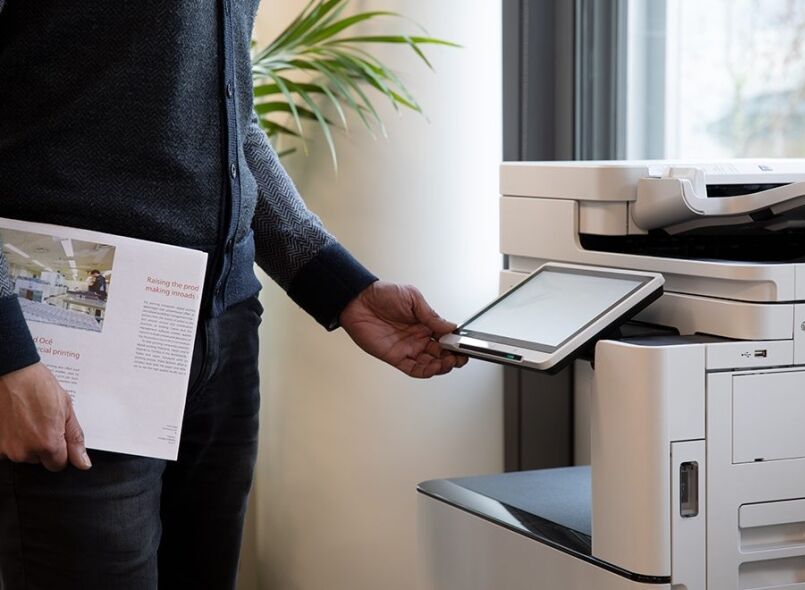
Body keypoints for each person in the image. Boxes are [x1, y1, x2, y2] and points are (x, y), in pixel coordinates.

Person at [0, 2, 468, 589]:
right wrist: (9, 357)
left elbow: (229, 120)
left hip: (223, 337)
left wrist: (342, 287)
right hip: (71, 347)